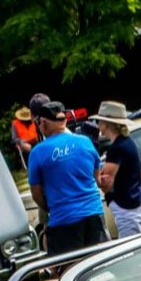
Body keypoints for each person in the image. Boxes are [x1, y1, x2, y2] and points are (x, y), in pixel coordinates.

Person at [28, 100, 107, 254]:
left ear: (43, 122)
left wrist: (49, 207)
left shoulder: (37, 152)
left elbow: (36, 194)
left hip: (63, 220)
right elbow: (97, 176)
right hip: (94, 214)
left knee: (69, 269)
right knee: (102, 264)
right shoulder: (85, 142)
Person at [91, 101, 141, 238]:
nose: (97, 124)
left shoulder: (117, 148)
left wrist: (94, 172)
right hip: (135, 203)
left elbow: (105, 183)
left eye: (99, 121)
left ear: (106, 124)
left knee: (134, 251)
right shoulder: (126, 142)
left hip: (128, 208)